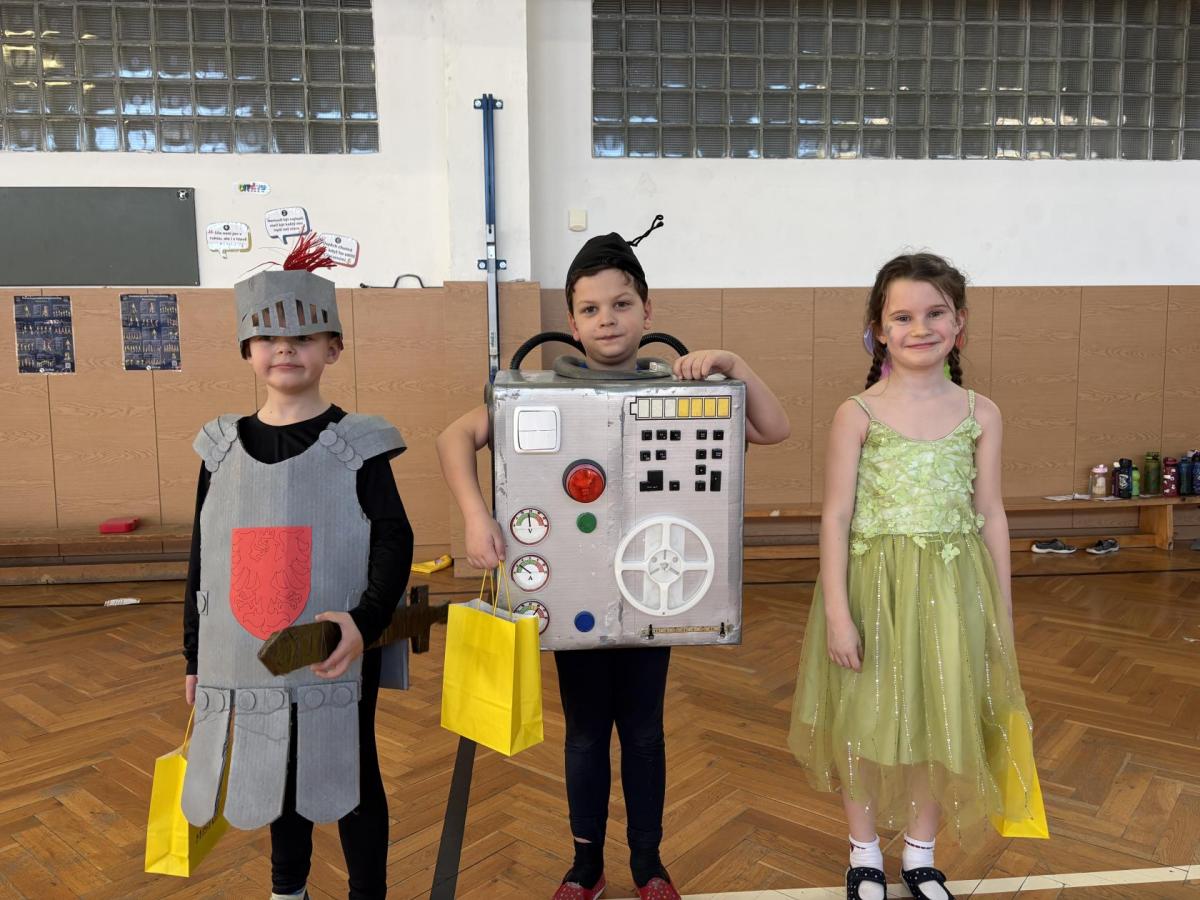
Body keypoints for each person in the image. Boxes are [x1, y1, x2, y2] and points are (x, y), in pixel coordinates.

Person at [437, 220, 790, 900]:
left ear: (647, 310)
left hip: (655, 590)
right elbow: (453, 437)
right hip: (571, 592)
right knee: (585, 733)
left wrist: (735, 364)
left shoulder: (685, 392)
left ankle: (649, 864)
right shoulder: (537, 392)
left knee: (645, 732)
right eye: (592, 308)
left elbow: (774, 428)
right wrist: (476, 515)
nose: (608, 319)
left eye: (622, 304)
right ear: (572, 323)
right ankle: (586, 864)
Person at [788, 253, 1036, 900]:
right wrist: (838, 612)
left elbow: (991, 513)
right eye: (902, 317)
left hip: (954, 590)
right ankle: (864, 853)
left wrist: (1001, 611)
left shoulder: (982, 413)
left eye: (935, 314)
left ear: (960, 323)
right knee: (865, 720)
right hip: (874, 590)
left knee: (939, 717)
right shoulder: (857, 414)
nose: (919, 328)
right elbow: (836, 515)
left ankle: (922, 854)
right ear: (878, 328)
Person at [180, 235, 413, 900]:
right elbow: (205, 555)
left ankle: (367, 893)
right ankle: (289, 890)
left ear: (333, 349)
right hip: (248, 647)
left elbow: (393, 538)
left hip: (336, 643)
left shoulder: (359, 443)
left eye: (305, 337)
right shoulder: (219, 449)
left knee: (349, 767)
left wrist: (364, 621)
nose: (286, 350)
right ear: (247, 350)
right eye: (269, 338)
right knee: (274, 766)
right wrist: (194, 655)